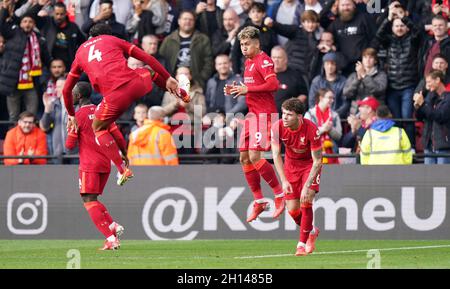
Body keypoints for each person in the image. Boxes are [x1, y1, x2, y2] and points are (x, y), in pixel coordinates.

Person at [63, 23, 186, 186]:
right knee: (149, 71)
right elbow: (147, 58)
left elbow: (66, 90)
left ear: (90, 37)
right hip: (134, 83)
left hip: (114, 97)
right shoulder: (113, 39)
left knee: (98, 128)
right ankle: (180, 93)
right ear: (107, 34)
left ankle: (122, 169)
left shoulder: (80, 53)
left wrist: (71, 115)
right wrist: (168, 77)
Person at [227, 26, 285, 223]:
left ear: (257, 43)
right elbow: (251, 90)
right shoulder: (248, 61)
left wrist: (247, 89)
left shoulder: (264, 60)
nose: (244, 47)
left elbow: (273, 85)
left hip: (265, 115)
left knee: (254, 155)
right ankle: (259, 200)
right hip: (253, 114)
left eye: (247, 44)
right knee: (244, 157)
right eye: (242, 44)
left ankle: (279, 195)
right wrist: (237, 90)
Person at [65, 81, 124, 251]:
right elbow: (115, 133)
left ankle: (111, 238)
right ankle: (112, 226)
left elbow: (69, 145)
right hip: (106, 163)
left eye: (73, 93)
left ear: (78, 96)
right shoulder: (102, 111)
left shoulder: (78, 116)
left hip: (89, 164)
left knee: (88, 200)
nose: (71, 96)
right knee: (93, 199)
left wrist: (69, 128)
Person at [271, 98, 321, 256]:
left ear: (299, 117)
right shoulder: (277, 126)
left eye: (289, 114)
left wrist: (307, 186)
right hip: (291, 166)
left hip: (309, 165)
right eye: (283, 113)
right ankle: (311, 231)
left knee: (306, 200)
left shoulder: (312, 129)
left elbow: (318, 160)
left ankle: (301, 244)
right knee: (293, 210)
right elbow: (276, 155)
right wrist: (283, 181)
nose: (284, 117)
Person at [414, 70, 450, 164]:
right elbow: (420, 117)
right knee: (429, 177)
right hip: (428, 144)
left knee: (443, 177)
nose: (427, 85)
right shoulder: (430, 97)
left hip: (443, 145)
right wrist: (418, 107)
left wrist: (423, 104)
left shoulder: (448, 98)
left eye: (429, 82)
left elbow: (440, 116)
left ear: (438, 80)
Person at [305, 88, 342, 164]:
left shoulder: (335, 115)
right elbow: (306, 134)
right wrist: (323, 129)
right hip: (313, 154)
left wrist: (330, 129)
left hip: (332, 154)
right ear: (321, 98)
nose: (332, 100)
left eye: (333, 98)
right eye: (329, 98)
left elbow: (339, 136)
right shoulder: (309, 114)